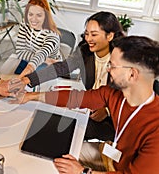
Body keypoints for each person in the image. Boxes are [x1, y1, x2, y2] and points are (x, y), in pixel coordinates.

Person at [14, 36, 159, 173]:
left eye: (112, 66)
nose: (108, 69)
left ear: (132, 74)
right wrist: (31, 96)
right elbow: (76, 98)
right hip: (113, 155)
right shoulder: (113, 94)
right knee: (56, 158)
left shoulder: (155, 131)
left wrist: (82, 172)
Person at [20, 11, 125, 141]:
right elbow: (62, 67)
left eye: (94, 35)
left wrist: (107, 110)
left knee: (65, 129)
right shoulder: (85, 51)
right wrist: (28, 79)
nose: (88, 39)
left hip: (113, 120)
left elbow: (129, 95)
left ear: (109, 36)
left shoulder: (123, 59)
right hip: (89, 105)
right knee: (52, 116)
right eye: (87, 34)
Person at [0, 0, 61, 78]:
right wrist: (45, 59)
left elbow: (41, 54)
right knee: (8, 74)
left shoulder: (52, 36)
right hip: (39, 60)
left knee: (31, 81)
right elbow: (20, 52)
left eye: (39, 15)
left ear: (46, 16)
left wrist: (20, 78)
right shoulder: (25, 24)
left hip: (49, 64)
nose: (33, 19)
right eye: (30, 14)